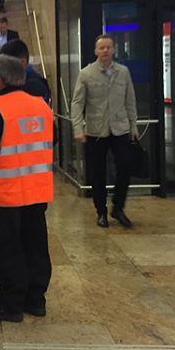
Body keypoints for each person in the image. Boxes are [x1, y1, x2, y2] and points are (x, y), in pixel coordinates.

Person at [0, 54, 53, 322]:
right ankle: (35, 299)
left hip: (4, 191)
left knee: (7, 247)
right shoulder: (41, 106)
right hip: (36, 189)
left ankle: (10, 304)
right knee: (35, 244)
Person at [70, 34, 139, 229]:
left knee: (125, 167)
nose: (105, 51)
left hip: (120, 128)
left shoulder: (123, 72)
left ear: (114, 49)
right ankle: (101, 211)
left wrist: (133, 126)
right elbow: (77, 103)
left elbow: (130, 100)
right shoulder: (86, 74)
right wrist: (78, 128)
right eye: (102, 48)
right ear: (95, 51)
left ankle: (118, 207)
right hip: (96, 130)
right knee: (97, 173)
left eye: (109, 47)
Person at [0, 39, 51, 105]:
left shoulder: (33, 86)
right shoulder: (20, 82)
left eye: (7, 64)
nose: (4, 69)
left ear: (22, 62)